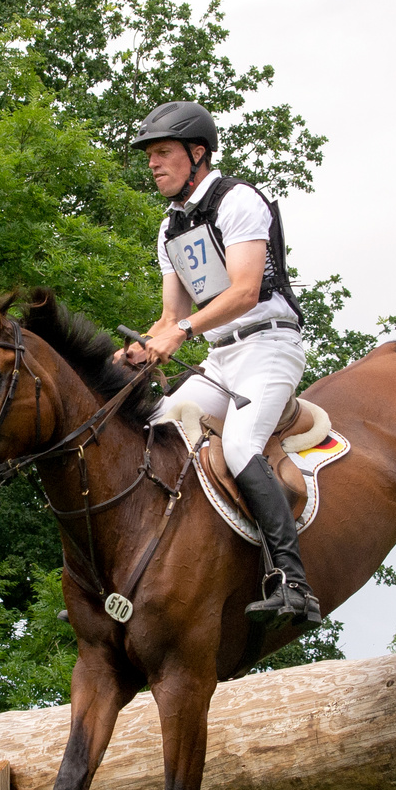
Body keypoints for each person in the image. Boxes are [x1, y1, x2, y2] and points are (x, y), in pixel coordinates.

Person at [121, 101, 320, 629]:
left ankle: (293, 581)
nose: (153, 164)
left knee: (238, 446)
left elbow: (246, 291)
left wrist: (180, 333)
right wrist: (142, 347)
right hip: (222, 357)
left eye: (162, 153)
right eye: (150, 156)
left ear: (198, 153)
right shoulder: (170, 228)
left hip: (268, 347)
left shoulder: (239, 202)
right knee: (160, 424)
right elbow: (170, 316)